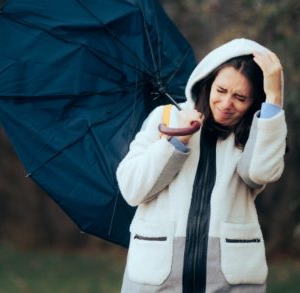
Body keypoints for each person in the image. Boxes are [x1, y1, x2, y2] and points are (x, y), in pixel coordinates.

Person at [116, 38, 287, 293]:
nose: (227, 103)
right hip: (157, 279)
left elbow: (261, 172)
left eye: (240, 97)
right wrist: (176, 141)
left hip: (229, 281)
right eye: (221, 90)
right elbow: (132, 188)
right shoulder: (166, 118)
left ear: (254, 102)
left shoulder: (256, 132)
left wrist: (274, 98)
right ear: (208, 82)